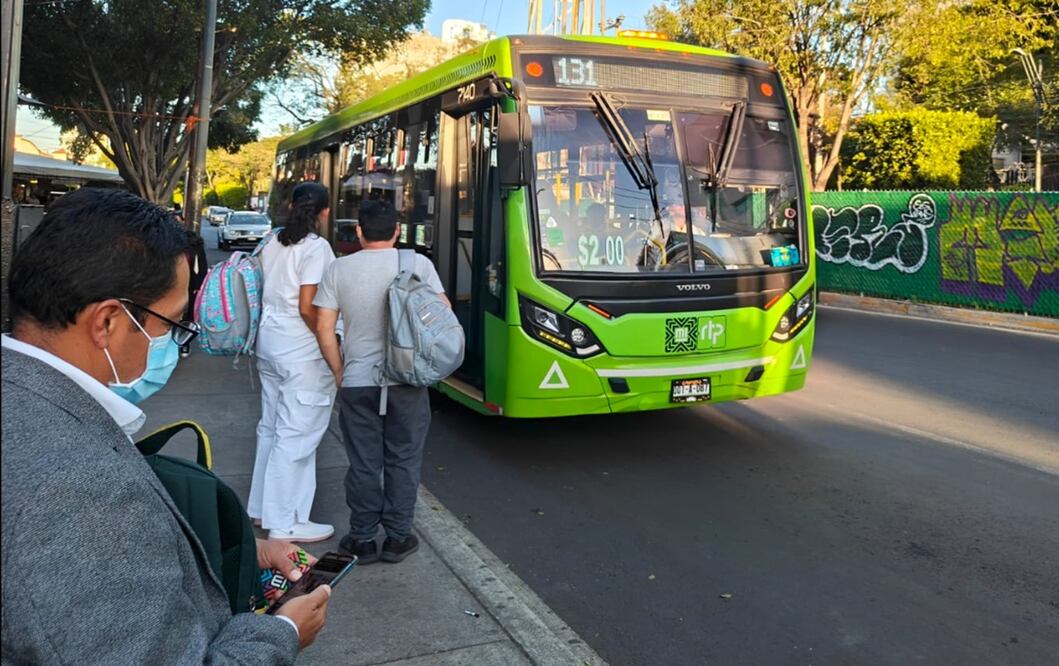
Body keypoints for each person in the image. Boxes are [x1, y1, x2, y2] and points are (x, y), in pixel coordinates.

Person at [2, 188, 330, 663]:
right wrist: (282, 633)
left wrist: (232, 552)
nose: (175, 343)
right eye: (171, 323)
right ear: (108, 322)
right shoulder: (80, 492)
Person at [313, 200, 449, 565]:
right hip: (407, 379)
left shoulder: (338, 269)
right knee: (404, 460)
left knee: (363, 463)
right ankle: (398, 537)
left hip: (358, 381)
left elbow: (325, 329)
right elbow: (442, 316)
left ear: (358, 231)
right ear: (398, 231)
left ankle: (362, 538)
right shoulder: (418, 264)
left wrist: (340, 371)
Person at [248, 181, 337, 543]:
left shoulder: (273, 240)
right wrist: (329, 347)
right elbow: (307, 306)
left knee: (270, 428)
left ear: (290, 205)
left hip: (268, 342)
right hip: (300, 350)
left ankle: (261, 509)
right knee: (296, 434)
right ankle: (285, 523)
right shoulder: (316, 248)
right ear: (325, 211)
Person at [181, 228, 209, 357]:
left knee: (189, 315)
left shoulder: (195, 245)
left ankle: (184, 343)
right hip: (173, 284)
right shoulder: (169, 244)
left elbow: (202, 266)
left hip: (191, 285)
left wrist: (199, 285)